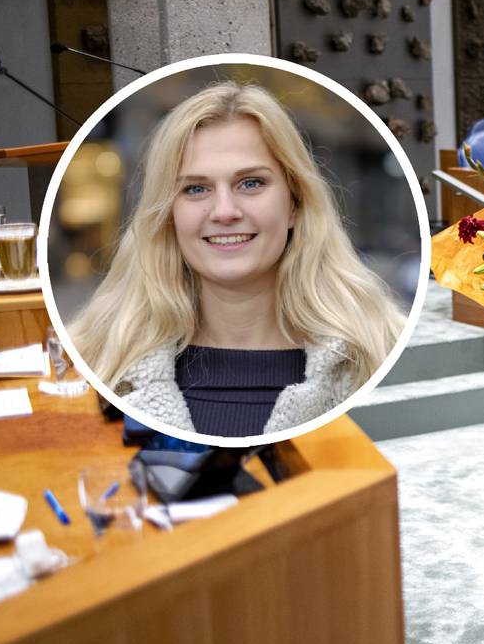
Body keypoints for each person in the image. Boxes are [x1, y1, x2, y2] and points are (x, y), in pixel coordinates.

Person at [68, 81, 405, 437]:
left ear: (294, 203)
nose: (224, 212)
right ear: (168, 215)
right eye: (196, 189)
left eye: (251, 184)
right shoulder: (93, 356)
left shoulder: (381, 347)